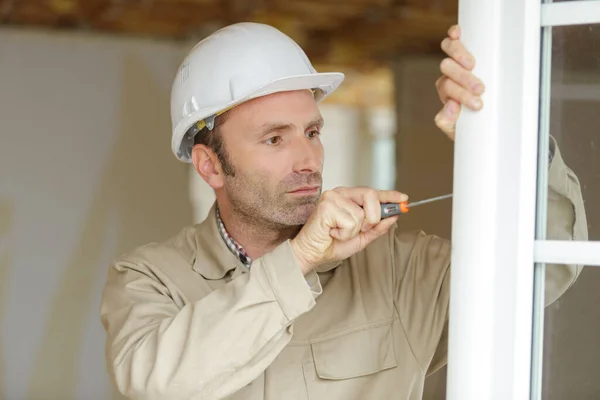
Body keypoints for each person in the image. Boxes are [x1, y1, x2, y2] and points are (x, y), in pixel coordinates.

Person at [100, 22, 587, 400]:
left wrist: (509, 141)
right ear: (210, 166)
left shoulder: (398, 274)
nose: (309, 160)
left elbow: (547, 264)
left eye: (312, 132)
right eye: (275, 138)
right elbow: (155, 384)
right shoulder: (149, 279)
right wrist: (300, 261)